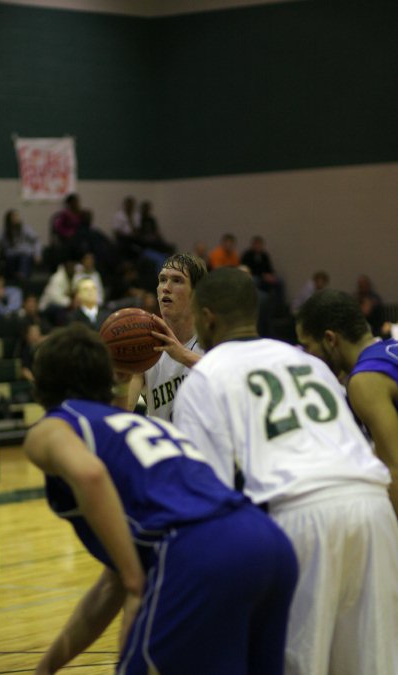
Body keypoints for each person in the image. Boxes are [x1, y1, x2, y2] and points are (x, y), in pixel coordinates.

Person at [23, 322, 298, 675]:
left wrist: (136, 582)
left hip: (198, 551)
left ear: (40, 386)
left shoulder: (55, 426)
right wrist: (46, 668)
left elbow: (89, 474)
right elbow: (112, 586)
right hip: (266, 540)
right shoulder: (152, 426)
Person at [173, 267, 398, 675]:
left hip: (300, 513)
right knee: (373, 664)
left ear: (207, 317)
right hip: (372, 507)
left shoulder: (205, 378)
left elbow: (211, 499)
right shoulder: (306, 362)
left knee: (299, 662)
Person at [296, 288, 398, 518]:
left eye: (307, 346)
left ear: (330, 339)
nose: (307, 355)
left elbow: (395, 468)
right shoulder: (389, 349)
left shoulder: (365, 379)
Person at [120, 253, 207, 420]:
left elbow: (234, 379)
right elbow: (121, 415)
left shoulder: (215, 340)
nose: (166, 288)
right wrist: (121, 380)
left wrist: (183, 356)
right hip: (166, 445)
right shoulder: (146, 345)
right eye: (162, 280)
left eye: (177, 280)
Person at [0, 209, 42, 281]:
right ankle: (13, 277)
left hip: (24, 255)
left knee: (25, 257)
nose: (18, 218)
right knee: (9, 260)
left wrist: (37, 254)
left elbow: (36, 239)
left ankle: (22, 276)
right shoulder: (5, 231)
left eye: (18, 216)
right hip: (11, 256)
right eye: (15, 216)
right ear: (9, 219)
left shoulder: (25, 228)